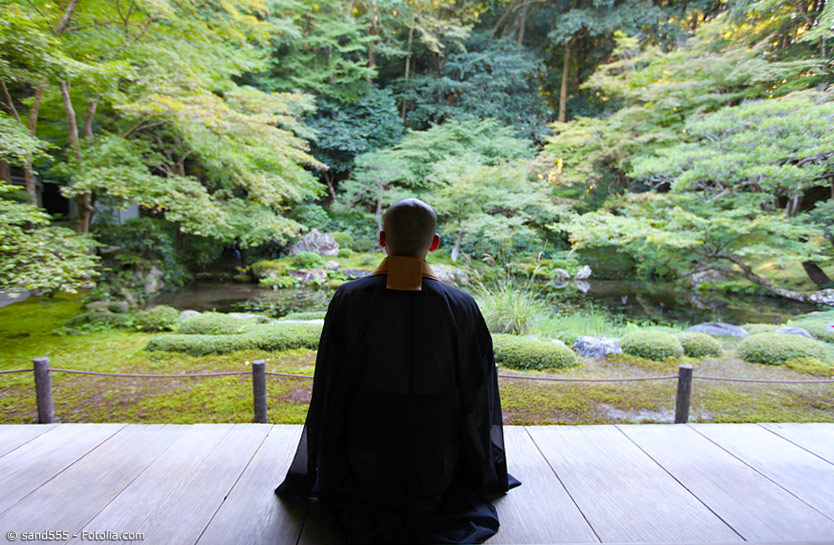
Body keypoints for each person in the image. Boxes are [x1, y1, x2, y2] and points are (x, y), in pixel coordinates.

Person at [275, 198, 519, 544]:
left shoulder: (348, 298)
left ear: (381, 239)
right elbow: (477, 389)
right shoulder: (461, 305)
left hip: (365, 452)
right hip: (438, 455)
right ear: (434, 244)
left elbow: (331, 382)